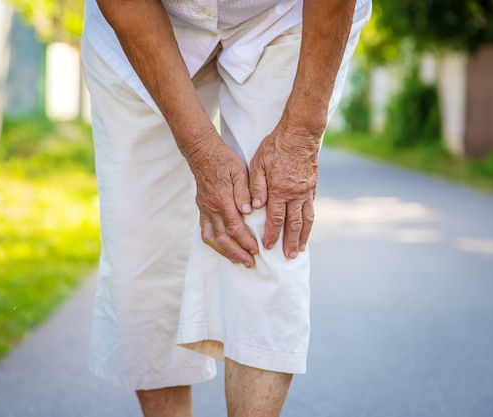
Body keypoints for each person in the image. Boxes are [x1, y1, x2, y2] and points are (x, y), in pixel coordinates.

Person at [81, 0, 371, 415]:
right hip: (142, 21)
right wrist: (200, 150)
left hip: (285, 16)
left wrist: (301, 137)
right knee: (145, 258)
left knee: (265, 230)